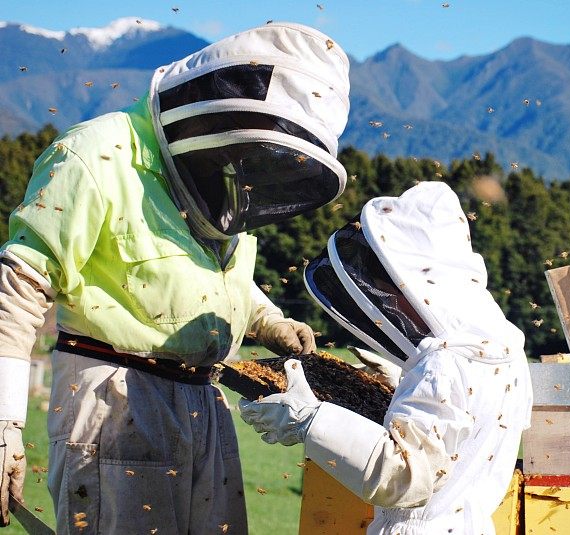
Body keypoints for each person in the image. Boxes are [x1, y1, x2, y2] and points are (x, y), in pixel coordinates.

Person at [0, 22, 350, 534]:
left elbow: (208, 272)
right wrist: (4, 421)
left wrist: (268, 320)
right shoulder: (95, 153)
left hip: (205, 399)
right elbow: (18, 289)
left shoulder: (224, 174)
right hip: (116, 400)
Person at [240, 182, 534, 534]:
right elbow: (465, 431)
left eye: (392, 286)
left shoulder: (446, 362)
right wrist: (402, 388)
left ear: (419, 282)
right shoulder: (505, 350)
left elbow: (404, 478)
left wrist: (310, 420)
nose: (389, 302)